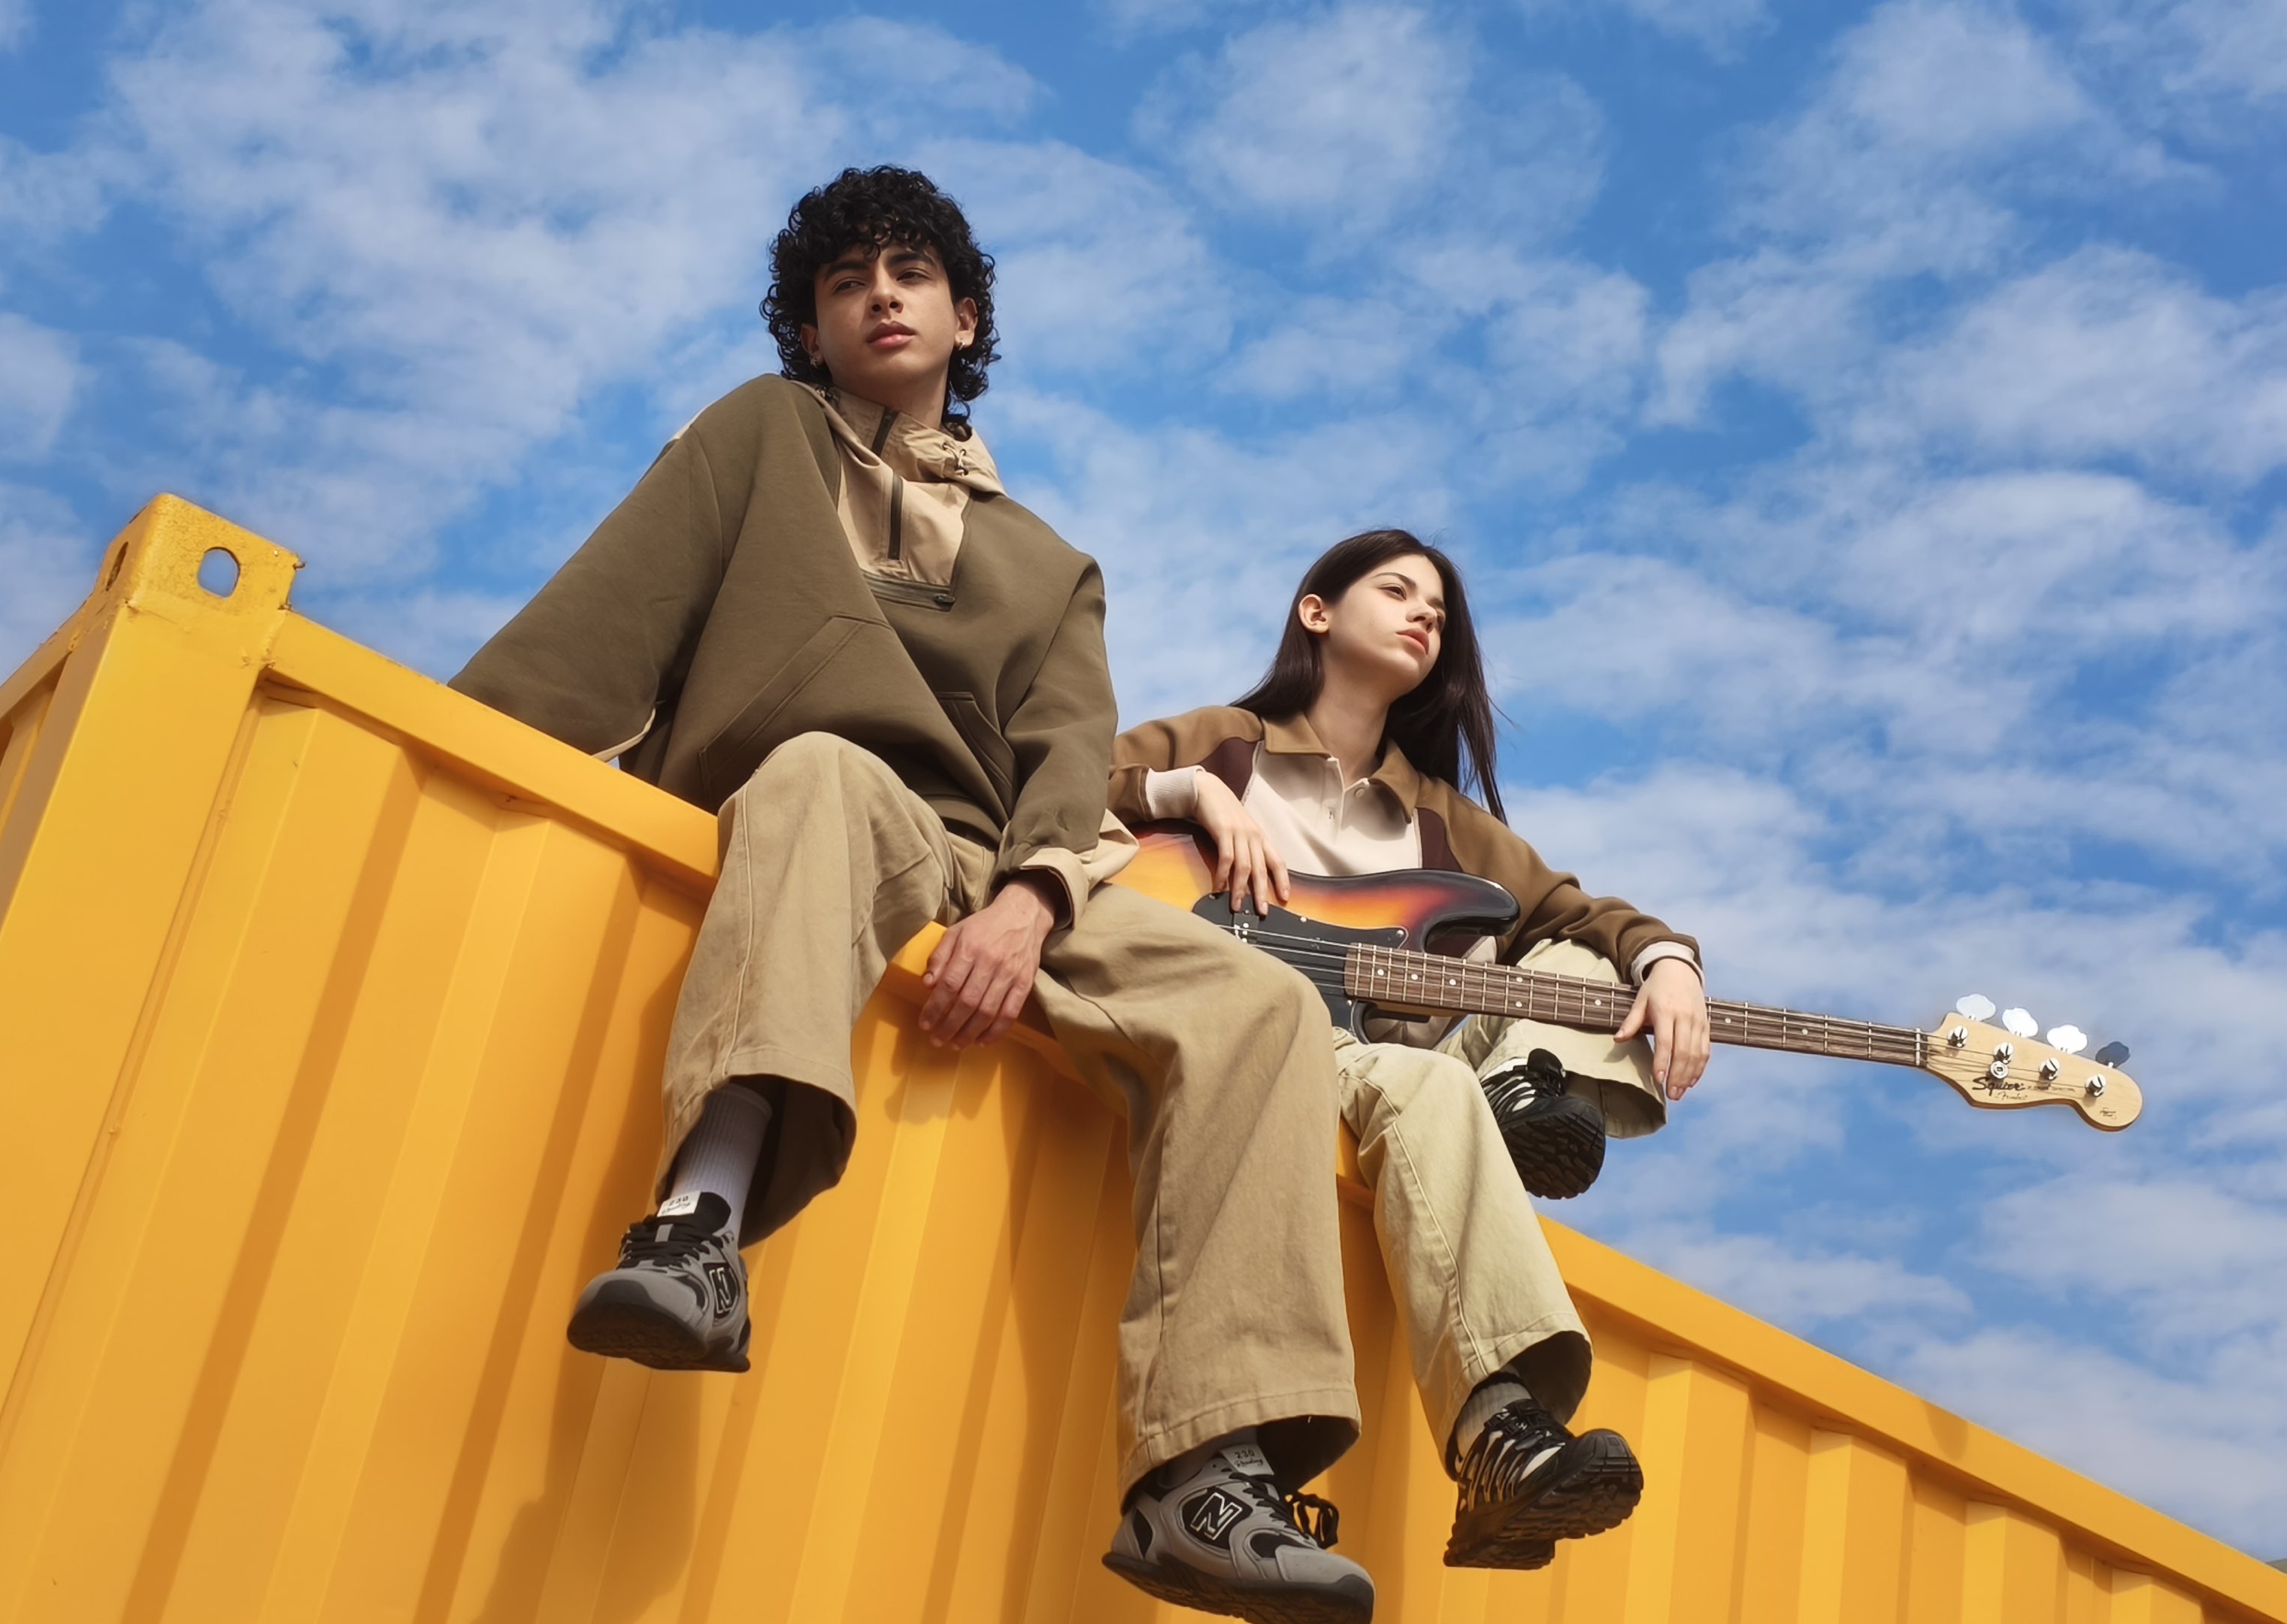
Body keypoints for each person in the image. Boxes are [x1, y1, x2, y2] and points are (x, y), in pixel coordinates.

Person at [452, 167, 1380, 1622]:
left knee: (1261, 1002)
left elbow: (1068, 770)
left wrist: (1026, 909)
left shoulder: (1051, 565)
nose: (878, 295)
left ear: (961, 312)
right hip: (821, 811)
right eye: (843, 283)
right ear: (812, 329)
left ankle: (1208, 1470)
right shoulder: (758, 437)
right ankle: (699, 1233)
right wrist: (431, 761)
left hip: (991, 862)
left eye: (908, 271)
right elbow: (594, 629)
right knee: (823, 768)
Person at [1110, 529, 1715, 1568]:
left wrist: (1668, 961)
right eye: (1397, 591)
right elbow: (1059, 771)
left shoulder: (1444, 820)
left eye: (1438, 611)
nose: (1424, 616)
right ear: (1317, 612)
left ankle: (1531, 1104)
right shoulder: (1226, 739)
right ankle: (1497, 1419)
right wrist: (1196, 792)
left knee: (1588, 968)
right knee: (1426, 1083)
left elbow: (1579, 913)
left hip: (1386, 1058)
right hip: (1252, 1033)